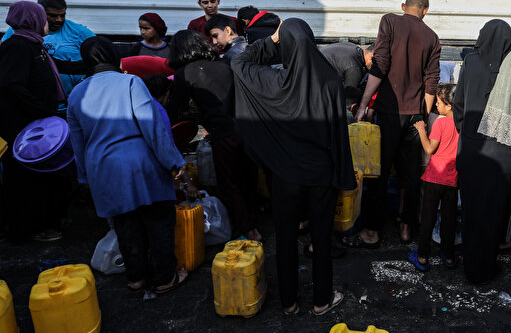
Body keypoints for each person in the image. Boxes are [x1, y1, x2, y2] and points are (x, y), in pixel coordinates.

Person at [231, 18, 354, 316]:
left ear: (284, 46)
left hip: (285, 174)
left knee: (285, 237)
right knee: (321, 238)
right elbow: (338, 133)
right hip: (321, 173)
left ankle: (289, 302)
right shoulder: (330, 81)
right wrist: (343, 174)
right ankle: (321, 301)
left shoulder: (274, 82)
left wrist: (271, 40)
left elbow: (239, 63)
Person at [67, 36, 188, 295]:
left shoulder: (76, 93)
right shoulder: (131, 82)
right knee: (158, 221)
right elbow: (152, 126)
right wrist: (173, 160)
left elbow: (77, 141)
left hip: (102, 167)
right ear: (113, 56)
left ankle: (136, 278)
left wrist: (85, 177)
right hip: (141, 163)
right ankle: (165, 278)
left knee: (125, 224)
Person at [454, 19, 511, 283]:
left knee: (471, 209)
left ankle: (471, 267)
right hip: (502, 151)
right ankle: (486, 267)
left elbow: (459, 105)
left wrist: (467, 133)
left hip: (471, 149)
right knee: (494, 211)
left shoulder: (470, 62)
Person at [353, 0, 441, 247]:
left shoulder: (390, 22)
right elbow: (431, 82)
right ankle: (406, 226)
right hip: (414, 114)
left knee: (380, 172)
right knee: (411, 175)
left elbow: (380, 65)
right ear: (425, 11)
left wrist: (363, 104)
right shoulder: (432, 37)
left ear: (404, 6)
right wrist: (422, 117)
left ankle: (372, 230)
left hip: (390, 112)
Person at [168, 30, 261, 242]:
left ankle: (250, 231)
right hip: (247, 129)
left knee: (229, 183)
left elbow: (176, 109)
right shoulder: (223, 65)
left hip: (223, 133)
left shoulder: (184, 72)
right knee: (248, 179)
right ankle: (253, 221)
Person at [0, 1, 69, 242]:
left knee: (37, 177)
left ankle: (38, 223)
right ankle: (24, 230)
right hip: (22, 127)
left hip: (34, 124)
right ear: (31, 20)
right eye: (44, 18)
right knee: (23, 179)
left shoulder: (32, 44)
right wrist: (40, 110)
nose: (48, 23)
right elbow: (11, 85)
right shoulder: (17, 46)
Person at [408, 84, 460, 271]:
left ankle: (422, 256)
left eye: (438, 102)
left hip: (434, 177)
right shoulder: (462, 123)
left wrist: (422, 130)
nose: (436, 105)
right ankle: (449, 256)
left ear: (449, 106)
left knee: (428, 217)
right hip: (452, 179)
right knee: (449, 218)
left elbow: (430, 148)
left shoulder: (440, 122)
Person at [2, 0, 94, 98]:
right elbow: (12, 84)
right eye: (52, 16)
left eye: (62, 15)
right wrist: (36, 105)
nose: (59, 20)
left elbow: (59, 65)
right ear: (38, 16)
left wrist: (97, 66)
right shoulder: (17, 44)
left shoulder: (35, 44)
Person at [319, 42, 374, 107]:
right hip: (317, 80)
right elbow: (348, 101)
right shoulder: (354, 69)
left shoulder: (353, 46)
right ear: (371, 57)